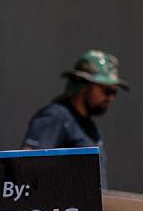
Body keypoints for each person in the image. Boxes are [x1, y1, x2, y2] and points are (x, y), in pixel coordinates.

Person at [23, 50, 129, 187]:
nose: (110, 98)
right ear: (84, 84)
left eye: (114, 92)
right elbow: (27, 170)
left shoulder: (89, 127)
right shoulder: (56, 116)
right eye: (106, 91)